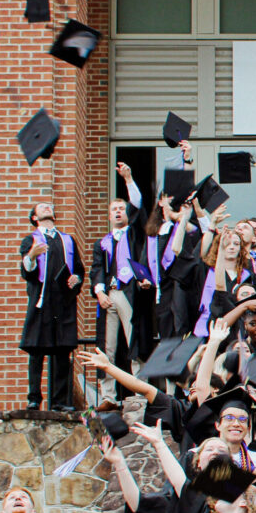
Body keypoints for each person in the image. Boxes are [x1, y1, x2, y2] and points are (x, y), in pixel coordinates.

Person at [90, 161, 151, 411]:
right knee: (107, 347)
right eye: (113, 209)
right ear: (108, 215)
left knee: (134, 342)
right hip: (109, 295)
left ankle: (139, 391)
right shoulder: (101, 242)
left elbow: (137, 206)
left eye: (121, 209)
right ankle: (108, 396)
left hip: (129, 293)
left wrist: (128, 180)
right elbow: (96, 269)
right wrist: (99, 291)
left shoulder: (134, 233)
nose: (117, 212)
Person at [19, 201, 85, 411]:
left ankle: (59, 401)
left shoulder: (67, 240)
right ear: (34, 217)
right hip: (42, 303)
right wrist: (32, 255)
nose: (48, 207)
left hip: (63, 304)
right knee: (37, 352)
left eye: (50, 206)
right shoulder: (31, 240)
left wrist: (77, 279)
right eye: (42, 207)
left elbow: (79, 270)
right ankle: (34, 398)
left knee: (61, 354)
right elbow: (26, 272)